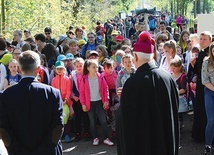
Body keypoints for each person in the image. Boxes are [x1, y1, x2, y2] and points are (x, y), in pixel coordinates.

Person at [116, 31, 179, 155]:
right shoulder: (168, 78)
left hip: (142, 145)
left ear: (136, 57)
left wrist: (127, 94)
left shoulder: (131, 84)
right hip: (164, 144)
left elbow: (125, 123)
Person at [0, 50, 64, 154]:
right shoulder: (53, 93)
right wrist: (46, 148)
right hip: (48, 151)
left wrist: (16, 149)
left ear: (19, 69)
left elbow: (4, 128)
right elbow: (58, 126)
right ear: (38, 69)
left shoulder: (6, 95)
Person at [79, 59, 114, 146]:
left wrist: (106, 100)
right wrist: (83, 104)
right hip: (89, 103)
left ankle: (106, 138)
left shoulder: (101, 77)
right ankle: (95, 138)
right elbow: (82, 93)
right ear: (88, 68)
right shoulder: (84, 79)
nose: (96, 69)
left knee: (103, 121)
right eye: (93, 67)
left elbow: (105, 89)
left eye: (97, 67)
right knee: (92, 121)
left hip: (99, 102)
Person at [191, 31, 212, 142]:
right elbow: (198, 72)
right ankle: (200, 134)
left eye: (205, 39)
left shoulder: (210, 53)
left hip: (208, 86)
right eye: (201, 39)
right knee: (199, 109)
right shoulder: (201, 52)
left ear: (210, 41)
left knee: (206, 111)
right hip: (200, 85)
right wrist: (193, 65)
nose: (202, 41)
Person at [71, 58, 90, 141]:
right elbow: (70, 88)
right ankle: (78, 133)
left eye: (80, 66)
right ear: (74, 66)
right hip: (76, 99)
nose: (79, 67)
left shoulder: (86, 75)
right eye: (77, 66)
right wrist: (73, 96)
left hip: (85, 99)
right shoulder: (72, 75)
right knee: (77, 116)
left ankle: (87, 132)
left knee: (85, 116)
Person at [201, 42, 214, 154]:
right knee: (211, 120)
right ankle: (208, 145)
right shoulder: (206, 62)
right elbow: (205, 81)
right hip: (210, 92)